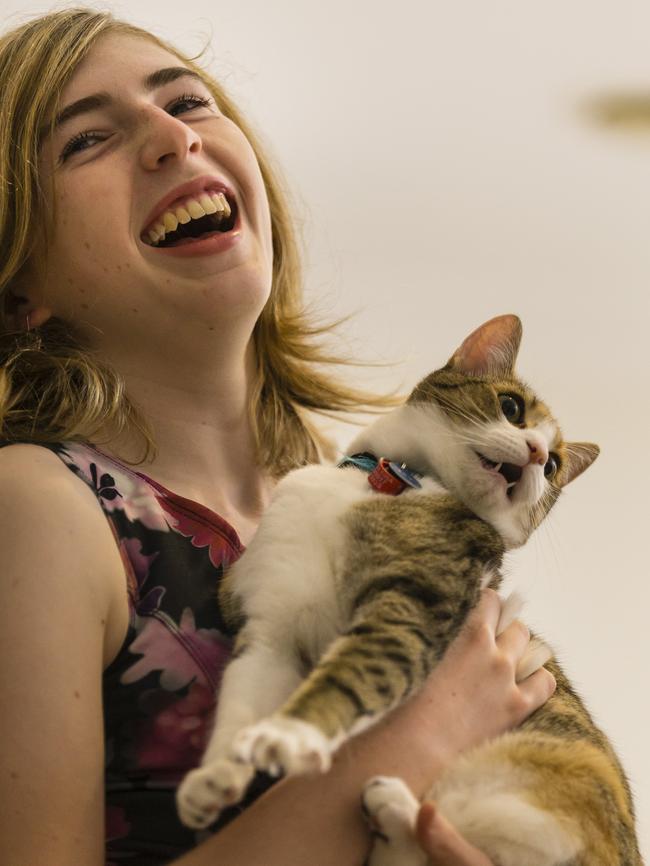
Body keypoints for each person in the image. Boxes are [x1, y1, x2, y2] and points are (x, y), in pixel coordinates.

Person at [0, 9, 556, 866]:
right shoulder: (39, 504)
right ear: (17, 287)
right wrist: (419, 733)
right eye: (85, 141)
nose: (169, 138)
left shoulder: (349, 491)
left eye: (187, 100)